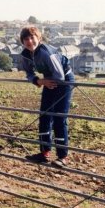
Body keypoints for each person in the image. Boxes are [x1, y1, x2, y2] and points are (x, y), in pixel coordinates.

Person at [20, 26, 75, 167]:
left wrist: (46, 82)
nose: (29, 41)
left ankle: (62, 157)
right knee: (44, 116)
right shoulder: (25, 55)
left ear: (39, 38)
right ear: (22, 42)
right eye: (26, 39)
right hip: (48, 80)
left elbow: (60, 75)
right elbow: (29, 73)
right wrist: (38, 81)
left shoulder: (46, 53)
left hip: (64, 81)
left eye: (32, 37)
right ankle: (44, 153)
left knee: (59, 117)